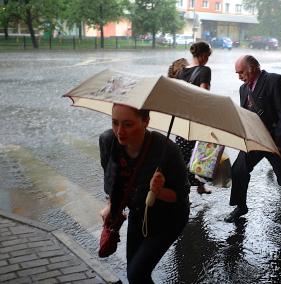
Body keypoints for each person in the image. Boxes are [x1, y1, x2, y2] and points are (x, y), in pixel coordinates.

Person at [99, 104, 190, 284]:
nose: (120, 132)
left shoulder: (166, 150)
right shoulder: (108, 141)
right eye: (115, 122)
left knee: (136, 273)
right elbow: (113, 179)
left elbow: (180, 196)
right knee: (135, 273)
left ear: (146, 121)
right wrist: (111, 205)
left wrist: (158, 191)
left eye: (128, 124)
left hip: (169, 218)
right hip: (139, 212)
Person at [225, 55, 281, 224]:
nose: (239, 76)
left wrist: (280, 143)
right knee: (238, 170)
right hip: (254, 139)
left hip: (275, 141)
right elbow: (246, 115)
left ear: (252, 68)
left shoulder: (275, 81)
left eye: (241, 72)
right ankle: (241, 206)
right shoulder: (243, 89)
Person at [175, 41, 212, 194]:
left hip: (183, 116)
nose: (208, 59)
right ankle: (197, 185)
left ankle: (187, 188)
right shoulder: (205, 70)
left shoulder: (182, 71)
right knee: (205, 151)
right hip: (198, 117)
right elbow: (204, 95)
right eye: (208, 56)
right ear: (203, 56)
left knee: (184, 153)